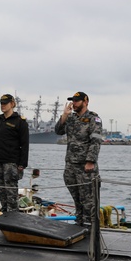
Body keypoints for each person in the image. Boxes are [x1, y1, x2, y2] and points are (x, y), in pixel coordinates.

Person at [54, 91, 103, 226]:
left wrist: (90, 161)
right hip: (70, 164)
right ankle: (79, 224)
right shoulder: (71, 118)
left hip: (85, 166)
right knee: (77, 198)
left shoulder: (94, 119)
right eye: (72, 101)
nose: (73, 103)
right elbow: (58, 131)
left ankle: (90, 227)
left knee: (89, 200)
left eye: (77, 101)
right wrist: (64, 115)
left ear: (85, 101)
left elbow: (96, 141)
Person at [0, 94, 29, 215]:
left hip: (11, 162)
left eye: (5, 103)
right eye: (1, 103)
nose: (3, 105)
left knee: (11, 193)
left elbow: (25, 145)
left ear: (12, 104)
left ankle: (13, 217)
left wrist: (22, 164)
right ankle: (5, 216)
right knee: (1, 191)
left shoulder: (20, 122)